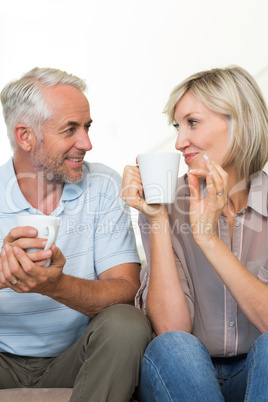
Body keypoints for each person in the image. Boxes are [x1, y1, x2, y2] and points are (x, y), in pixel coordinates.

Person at [0, 67, 151, 402]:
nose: (86, 143)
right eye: (70, 129)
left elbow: (126, 291)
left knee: (127, 323)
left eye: (87, 127)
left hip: (76, 356)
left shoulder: (103, 185)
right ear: (25, 136)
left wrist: (56, 285)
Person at [120, 65, 268, 401]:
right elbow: (172, 329)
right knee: (173, 347)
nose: (179, 141)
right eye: (177, 126)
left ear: (239, 122)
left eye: (193, 122)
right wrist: (157, 217)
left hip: (257, 372)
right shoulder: (164, 206)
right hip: (185, 373)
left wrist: (208, 239)